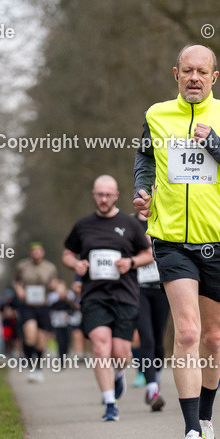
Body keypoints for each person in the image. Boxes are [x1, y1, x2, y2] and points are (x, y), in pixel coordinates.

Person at [134, 44, 220, 439]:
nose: (193, 78)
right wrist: (142, 191)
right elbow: (145, 159)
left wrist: (219, 147)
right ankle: (189, 434)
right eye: (186, 70)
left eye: (201, 71)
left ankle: (207, 424)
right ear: (175, 73)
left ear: (214, 77)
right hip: (170, 239)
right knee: (186, 333)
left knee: (212, 337)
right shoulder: (156, 115)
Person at [63, 175, 153, 421]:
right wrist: (76, 264)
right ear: (94, 195)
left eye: (108, 195)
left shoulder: (130, 224)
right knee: (101, 345)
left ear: (116, 196)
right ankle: (110, 403)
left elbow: (149, 254)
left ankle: (118, 374)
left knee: (120, 352)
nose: (103, 199)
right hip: (94, 296)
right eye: (99, 195)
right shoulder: (83, 226)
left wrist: (131, 262)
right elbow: (67, 253)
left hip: (125, 295)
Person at [134, 210, 170, 411]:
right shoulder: (130, 224)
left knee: (158, 339)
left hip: (162, 287)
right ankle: (152, 389)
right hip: (138, 288)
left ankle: (155, 381)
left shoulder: (167, 218)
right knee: (146, 338)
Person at [14, 243, 60, 383]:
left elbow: (54, 283)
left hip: (43, 306)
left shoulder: (50, 267)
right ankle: (31, 368)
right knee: (29, 334)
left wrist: (54, 286)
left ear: (43, 252)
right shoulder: (22, 266)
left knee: (41, 341)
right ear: (30, 252)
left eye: (39, 251)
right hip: (27, 305)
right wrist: (19, 290)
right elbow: (16, 282)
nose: (36, 253)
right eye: (34, 251)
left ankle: (38, 368)